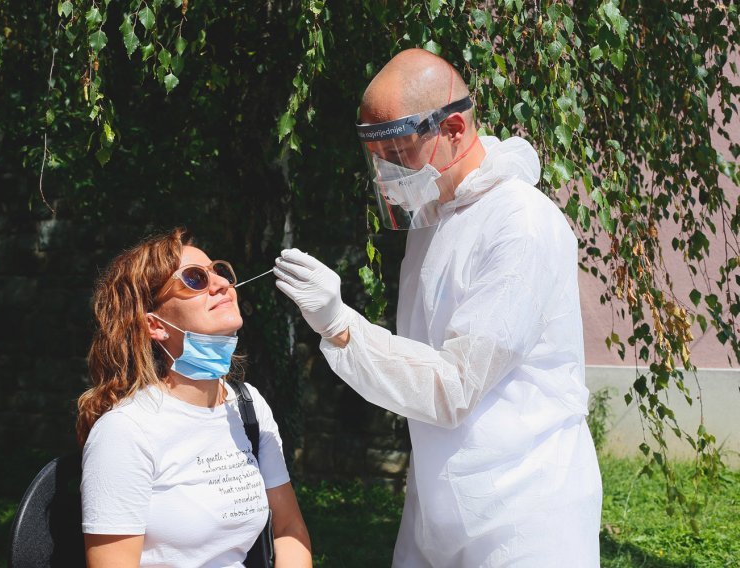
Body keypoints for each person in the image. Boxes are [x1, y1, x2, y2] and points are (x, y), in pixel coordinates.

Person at [274, 48, 602, 567]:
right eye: (376, 155)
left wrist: (342, 328)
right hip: (438, 500)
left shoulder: (520, 224)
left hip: (523, 510)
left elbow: (454, 385)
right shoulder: (437, 218)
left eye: (397, 153)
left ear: (452, 128)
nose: (385, 172)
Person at [76, 228, 312, 568]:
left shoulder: (248, 406)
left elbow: (290, 528)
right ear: (154, 325)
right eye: (194, 278)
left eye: (218, 271)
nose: (219, 284)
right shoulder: (126, 431)